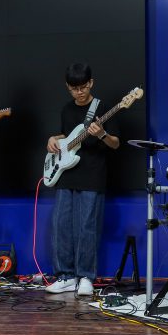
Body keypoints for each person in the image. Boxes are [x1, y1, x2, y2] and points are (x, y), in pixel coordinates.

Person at [45, 62, 120, 296]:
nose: (79, 92)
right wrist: (53, 139)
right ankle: (65, 276)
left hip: (92, 175)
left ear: (91, 83)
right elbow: (67, 136)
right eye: (74, 88)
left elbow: (116, 143)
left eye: (83, 87)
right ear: (68, 87)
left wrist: (102, 134)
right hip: (66, 174)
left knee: (87, 227)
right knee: (61, 226)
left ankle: (85, 276)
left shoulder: (103, 108)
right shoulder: (67, 109)